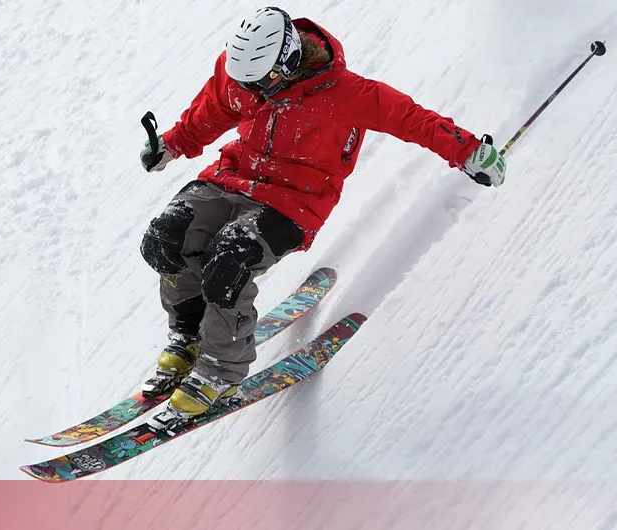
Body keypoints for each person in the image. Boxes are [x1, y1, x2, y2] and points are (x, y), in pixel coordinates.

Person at [138, 6, 506, 420]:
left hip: (293, 201)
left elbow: (413, 120)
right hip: (232, 177)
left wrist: (469, 150)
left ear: (288, 60)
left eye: (261, 83)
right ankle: (190, 332)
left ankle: (221, 369)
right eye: (246, 82)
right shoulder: (243, 70)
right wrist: (172, 143)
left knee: (228, 261)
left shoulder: (346, 94)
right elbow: (217, 107)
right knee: (164, 238)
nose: (253, 91)